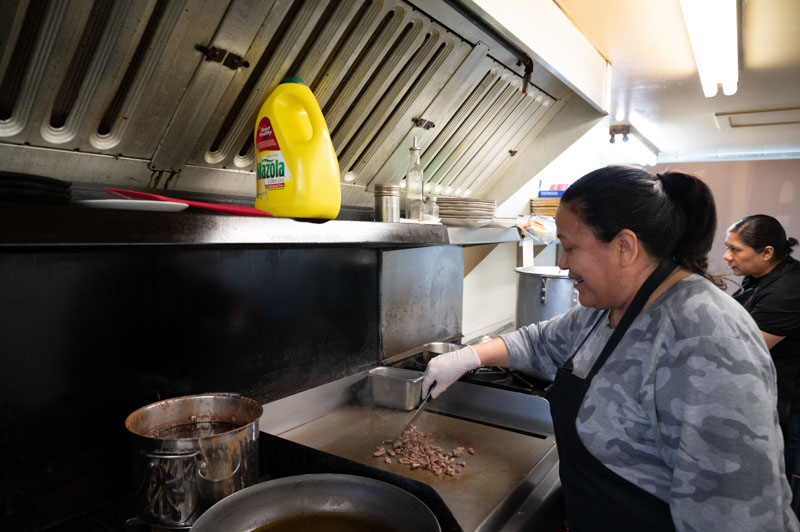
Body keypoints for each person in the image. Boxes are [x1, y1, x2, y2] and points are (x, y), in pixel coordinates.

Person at [423, 166, 798, 531]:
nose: (564, 265)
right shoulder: (604, 309)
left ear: (624, 247)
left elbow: (739, 516)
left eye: (569, 248)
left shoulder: (707, 340)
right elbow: (539, 340)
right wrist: (468, 356)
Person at [724, 214, 800, 490]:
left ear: (767, 253)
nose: (726, 256)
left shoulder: (788, 291)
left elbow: (742, 351)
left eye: (735, 249)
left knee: (782, 492)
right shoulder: (759, 276)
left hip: (791, 407)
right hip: (770, 395)